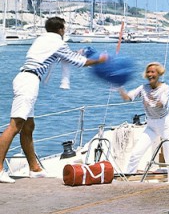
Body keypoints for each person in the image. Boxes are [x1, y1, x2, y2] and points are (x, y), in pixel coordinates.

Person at [0, 16, 108, 184]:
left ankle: (35, 169)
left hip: (25, 79)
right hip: (28, 82)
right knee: (15, 126)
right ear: (61, 30)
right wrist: (99, 61)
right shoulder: (57, 42)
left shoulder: (43, 40)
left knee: (28, 127)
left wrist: (75, 53)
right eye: (64, 29)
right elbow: (78, 62)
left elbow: (61, 56)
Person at [118, 62, 169, 183]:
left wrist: (149, 102)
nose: (150, 74)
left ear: (158, 74)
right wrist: (119, 86)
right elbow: (127, 97)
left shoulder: (165, 88)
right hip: (151, 125)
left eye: (153, 72)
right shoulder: (143, 88)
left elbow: (161, 103)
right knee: (136, 153)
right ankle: (128, 179)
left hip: (165, 125)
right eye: (148, 72)